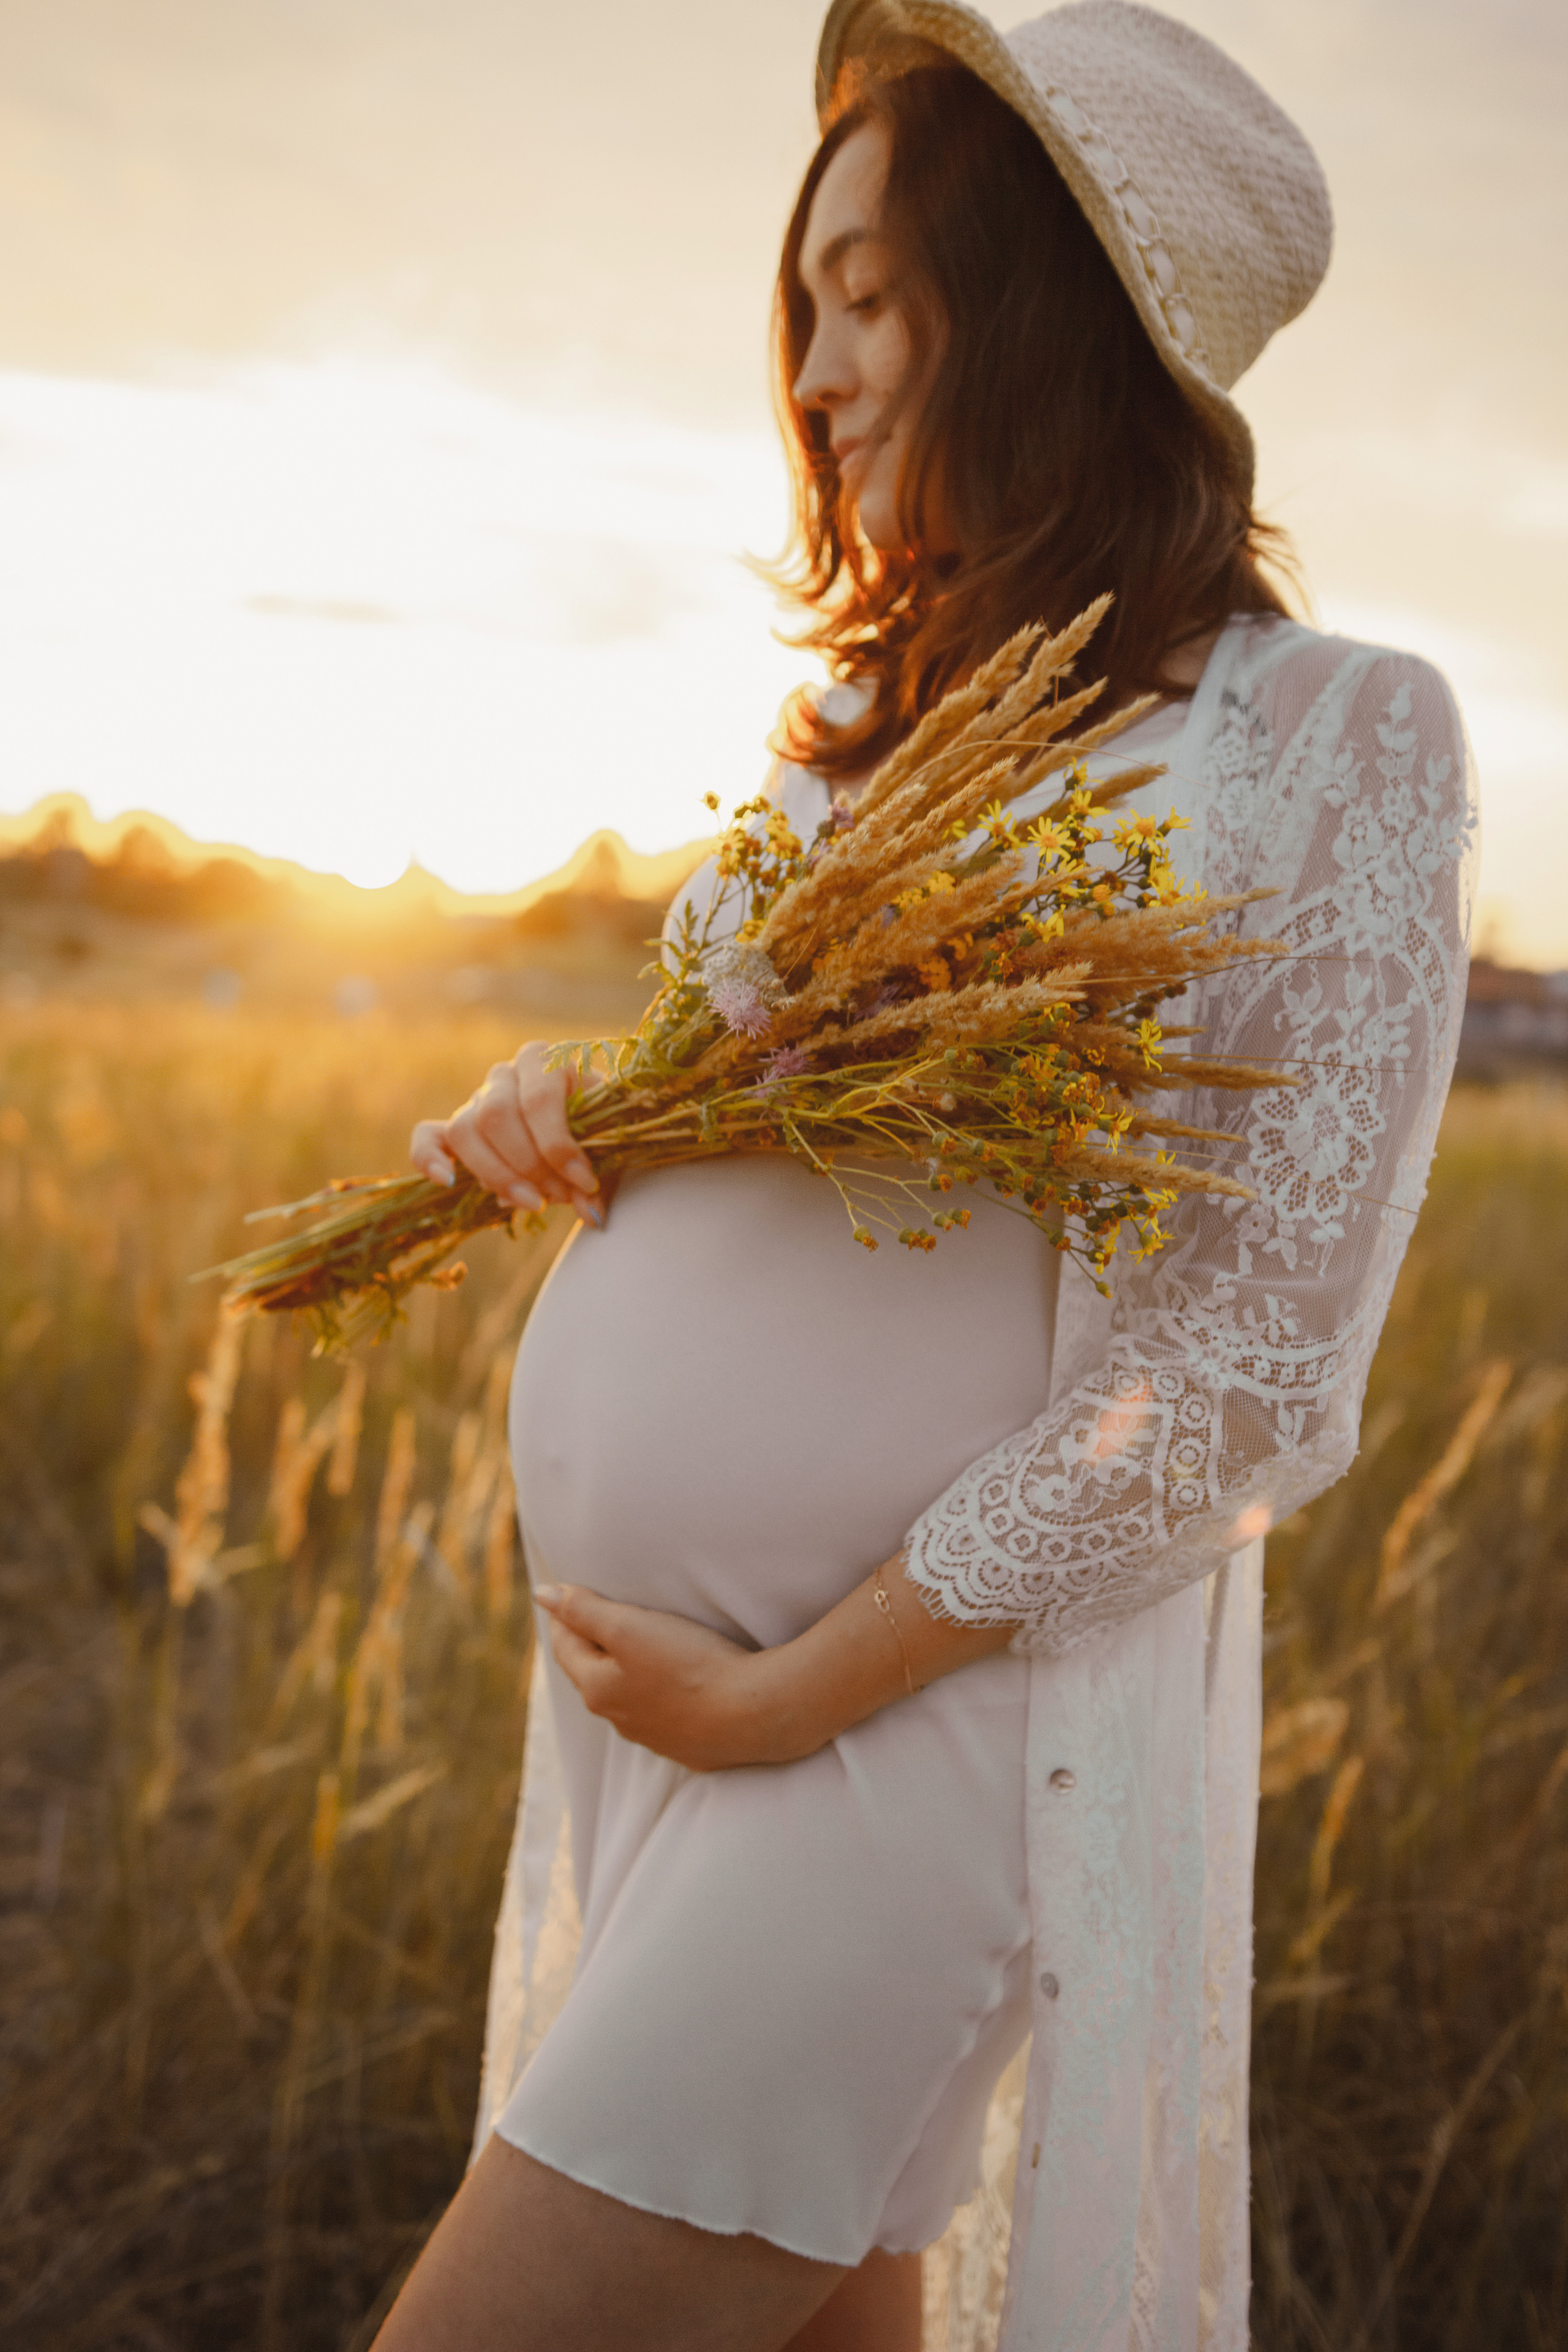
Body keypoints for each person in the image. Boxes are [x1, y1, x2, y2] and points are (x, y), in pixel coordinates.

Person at [384, 4, 1477, 2347]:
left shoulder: (1329, 741)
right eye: (802, 302)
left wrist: (803, 1701)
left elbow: (1253, 1369)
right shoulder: (854, 753)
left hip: (908, 1742)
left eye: (872, 295)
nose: (813, 362)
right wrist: (582, 1107)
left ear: (1063, 304)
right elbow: (799, 1153)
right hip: (670, 1723)